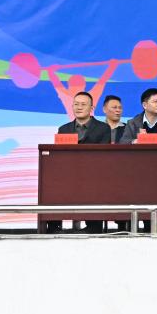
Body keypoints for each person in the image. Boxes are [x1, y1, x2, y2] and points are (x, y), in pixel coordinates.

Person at [57, 91, 110, 232]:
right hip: (69, 174)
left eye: (83, 104)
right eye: (76, 104)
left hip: (94, 175)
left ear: (91, 108)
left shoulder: (103, 128)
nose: (79, 107)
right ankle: (54, 226)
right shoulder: (63, 129)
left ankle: (93, 226)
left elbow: (103, 155)